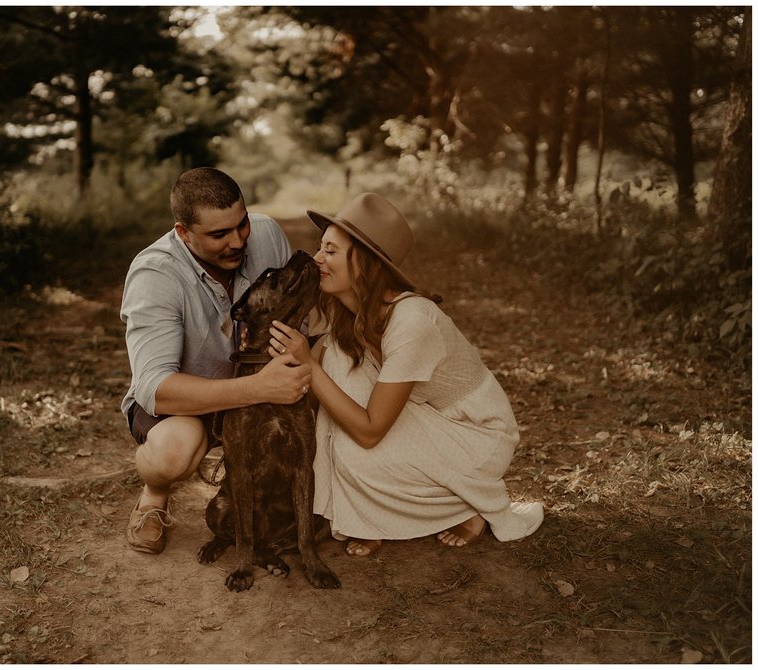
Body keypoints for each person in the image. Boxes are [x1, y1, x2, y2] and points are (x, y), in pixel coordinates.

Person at [268, 192, 543, 557]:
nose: (317, 259)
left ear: (364, 262)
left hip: (475, 437)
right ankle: (370, 514)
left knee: (351, 439)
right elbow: (312, 387)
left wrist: (308, 364)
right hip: (428, 420)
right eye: (321, 248)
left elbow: (369, 430)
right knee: (337, 390)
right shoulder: (349, 313)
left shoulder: (413, 320)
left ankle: (468, 504)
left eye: (331, 251)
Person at [120, 167, 312, 554]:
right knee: (175, 451)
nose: (238, 241)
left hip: (266, 386)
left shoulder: (267, 233)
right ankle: (153, 496)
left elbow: (299, 312)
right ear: (183, 232)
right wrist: (256, 388)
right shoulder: (155, 274)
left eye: (241, 225)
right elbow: (155, 388)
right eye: (218, 235)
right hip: (189, 404)